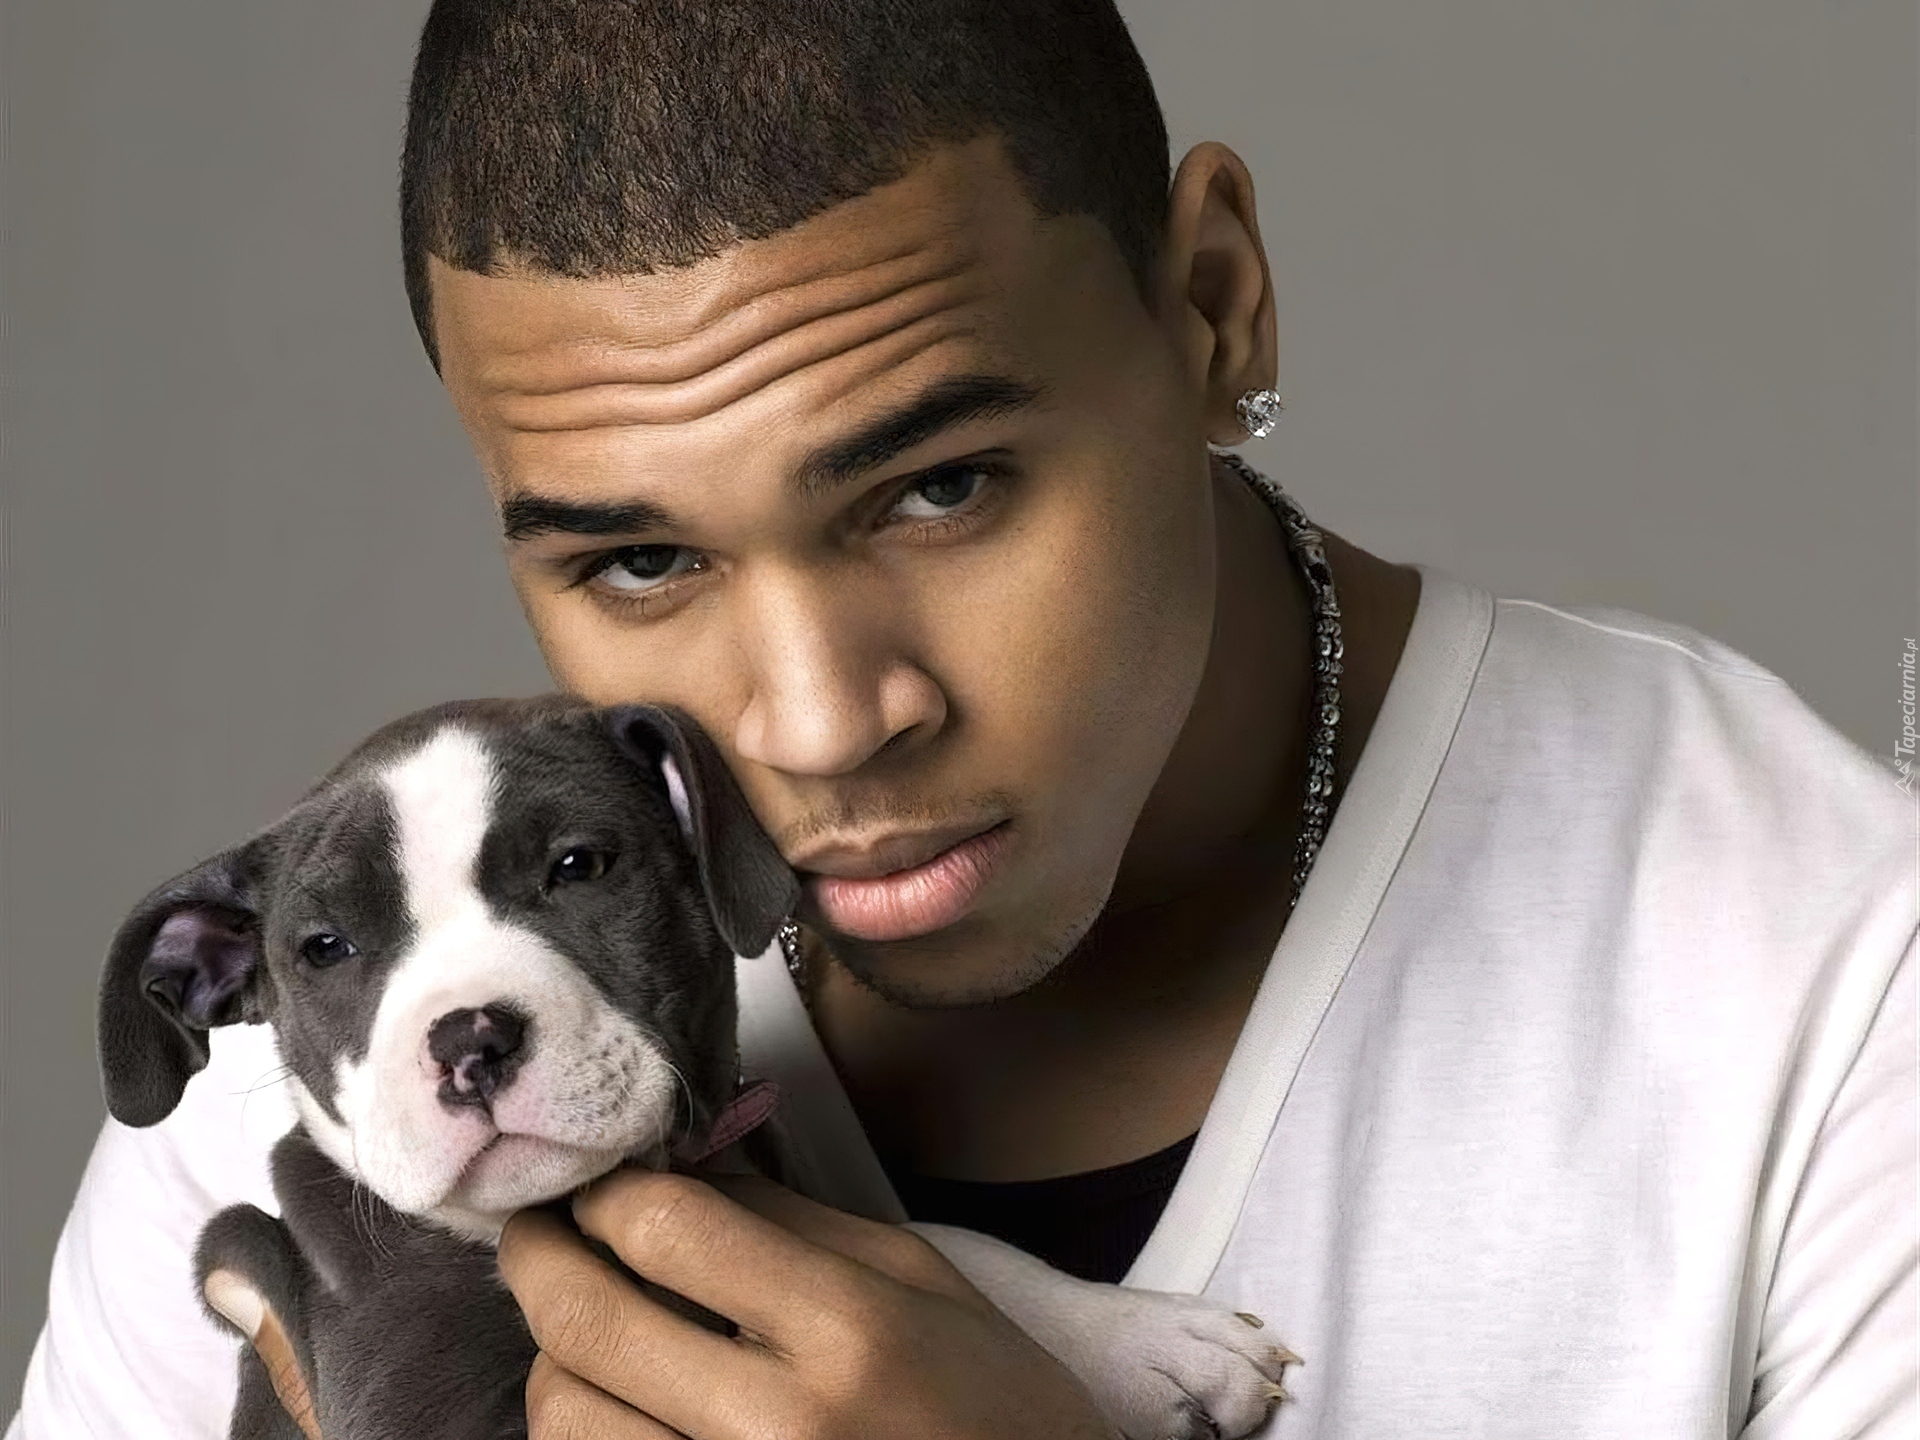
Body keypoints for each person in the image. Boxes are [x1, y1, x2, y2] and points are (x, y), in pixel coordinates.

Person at [12, 1, 1914, 1436]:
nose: (822, 723)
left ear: (1215, 309)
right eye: (640, 562)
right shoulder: (336, 1076)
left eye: (941, 488)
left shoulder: (1826, 984)